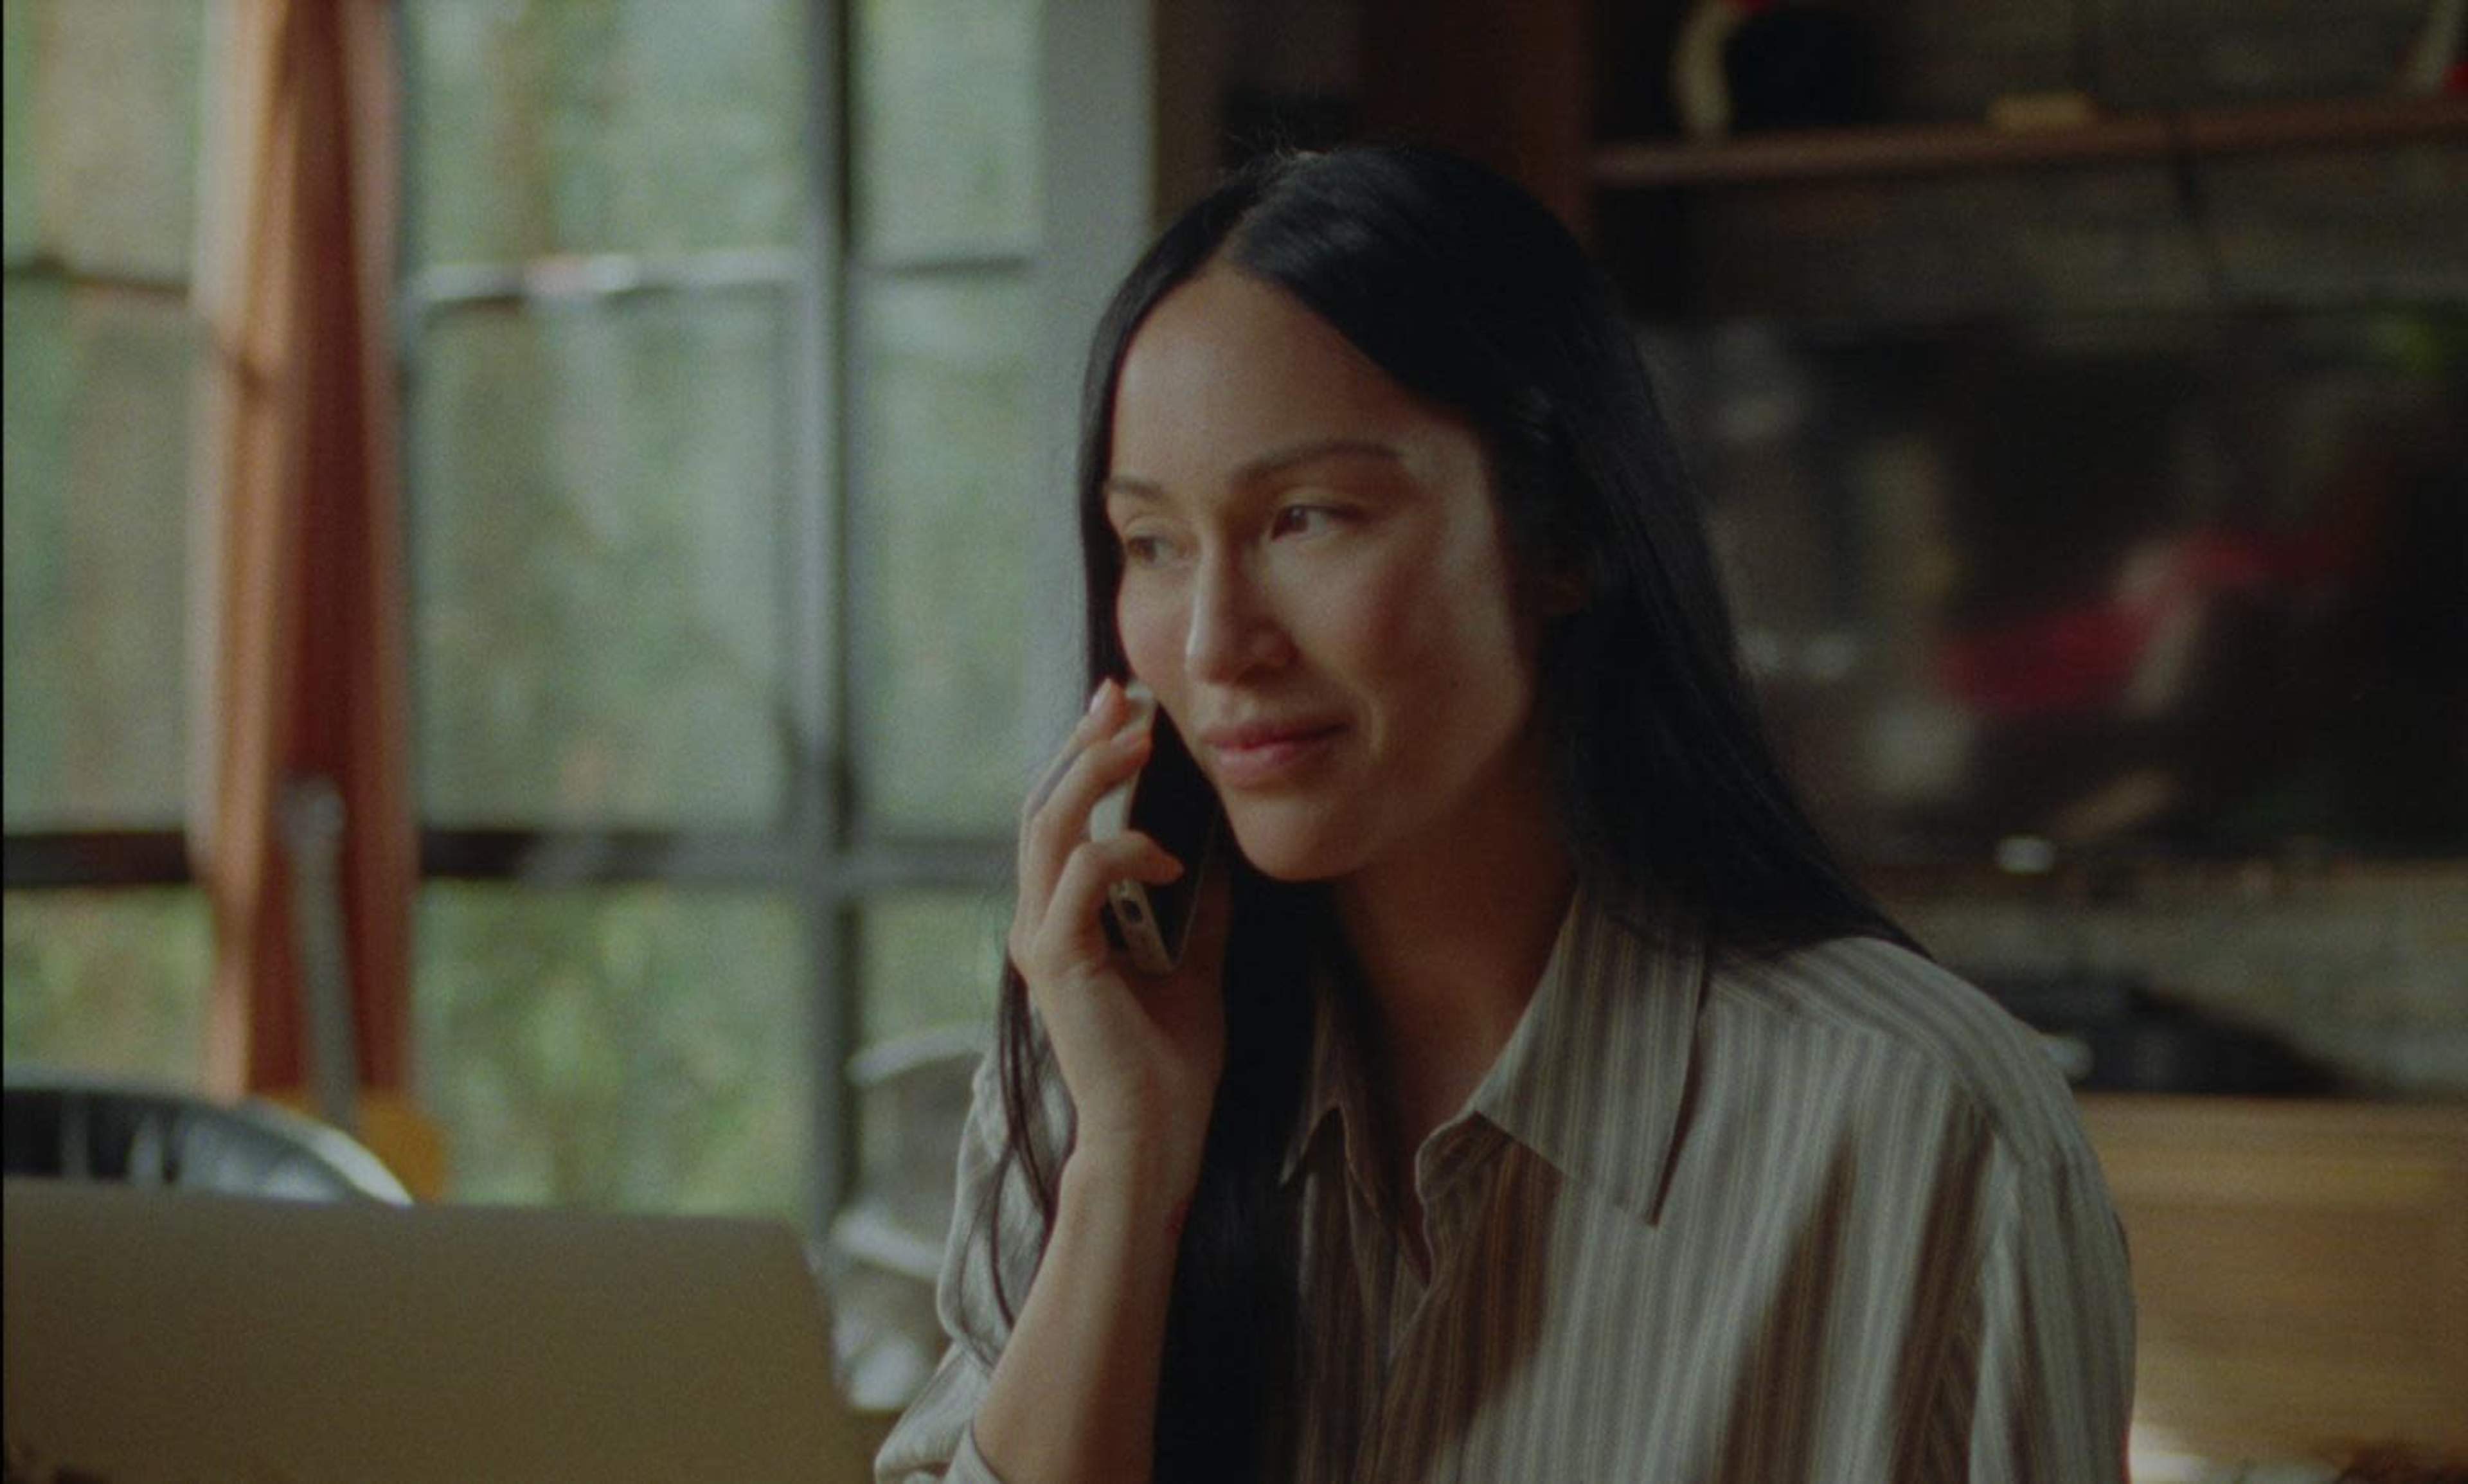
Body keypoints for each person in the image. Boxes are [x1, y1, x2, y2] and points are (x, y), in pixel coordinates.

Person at [876, 145, 2133, 1484]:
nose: (1214, 641)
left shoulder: (1928, 1132)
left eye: (1306, 518)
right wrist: (1127, 1171)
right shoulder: (1096, 1073)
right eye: (1152, 544)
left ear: (1563, 538)